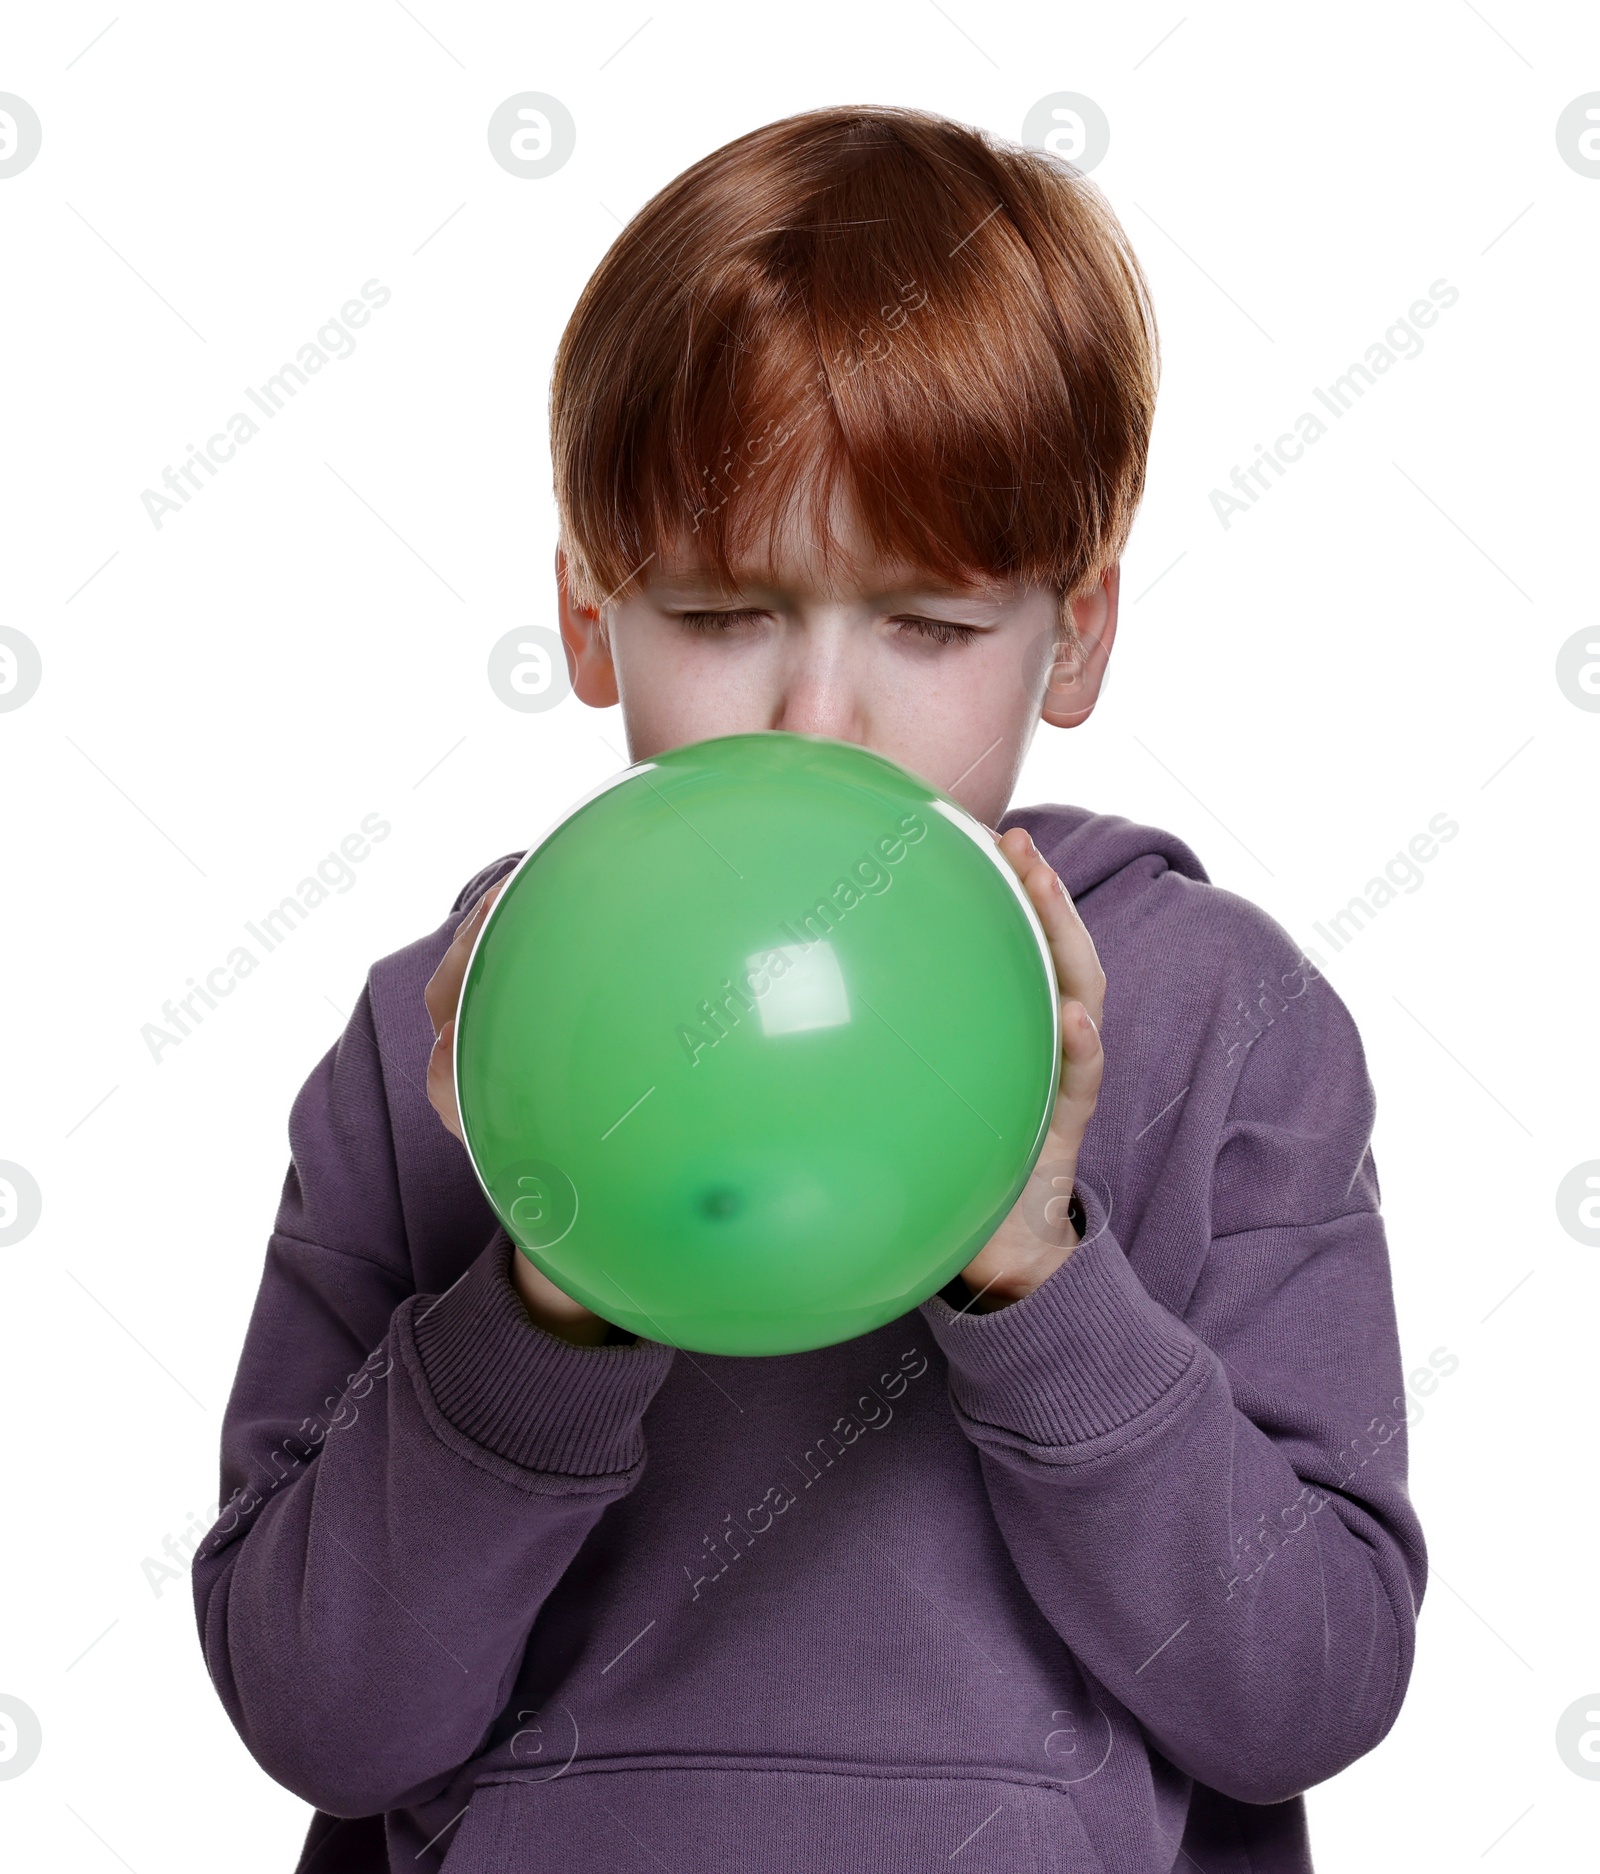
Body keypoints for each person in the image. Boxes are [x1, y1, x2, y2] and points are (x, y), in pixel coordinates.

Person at [192, 104, 1427, 1873]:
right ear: (590, 609)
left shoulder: (1221, 1020)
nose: (817, 722)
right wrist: (547, 1282)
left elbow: (1305, 1691)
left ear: (1072, 632)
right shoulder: (433, 1043)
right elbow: (317, 1715)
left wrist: (1038, 1269)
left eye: (925, 627)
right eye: (720, 613)